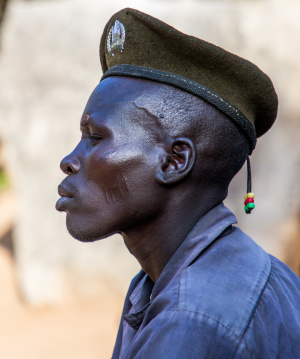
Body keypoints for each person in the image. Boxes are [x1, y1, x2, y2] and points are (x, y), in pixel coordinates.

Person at [55, 8, 300, 358]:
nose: (69, 161)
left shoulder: (192, 322)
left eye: (95, 139)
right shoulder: (233, 271)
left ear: (174, 161)